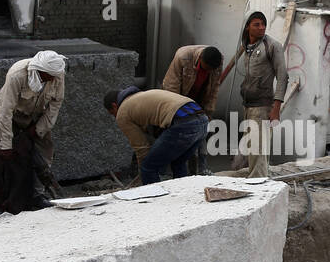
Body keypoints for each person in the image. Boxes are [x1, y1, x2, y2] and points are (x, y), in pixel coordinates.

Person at [0, 51, 67, 210]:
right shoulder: (17, 75)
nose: (55, 79)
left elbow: (55, 105)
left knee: (44, 154)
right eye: (51, 76)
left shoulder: (58, 73)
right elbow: (6, 111)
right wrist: (6, 145)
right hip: (10, 115)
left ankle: (37, 196)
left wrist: (38, 129)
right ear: (42, 72)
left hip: (37, 117)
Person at [219, 11, 287, 176]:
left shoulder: (272, 46)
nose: (262, 28)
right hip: (248, 105)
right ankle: (248, 178)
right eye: (257, 24)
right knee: (249, 147)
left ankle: (258, 182)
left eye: (263, 24)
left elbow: (283, 77)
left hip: (263, 106)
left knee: (258, 149)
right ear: (248, 26)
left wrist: (276, 109)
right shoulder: (247, 46)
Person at [104, 87, 208, 185]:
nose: (115, 116)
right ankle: (183, 197)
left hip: (184, 123)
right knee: (178, 163)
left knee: (148, 167)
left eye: (113, 113)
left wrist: (143, 172)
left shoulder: (123, 112)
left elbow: (141, 148)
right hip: (202, 118)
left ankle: (154, 201)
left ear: (114, 105)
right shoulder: (139, 96)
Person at [162, 44, 223, 173]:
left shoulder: (218, 60)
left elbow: (214, 88)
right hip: (180, 97)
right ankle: (182, 169)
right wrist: (176, 112)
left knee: (202, 131)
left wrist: (209, 111)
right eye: (206, 69)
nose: (208, 72)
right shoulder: (183, 57)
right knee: (185, 133)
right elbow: (171, 86)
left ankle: (201, 168)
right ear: (200, 59)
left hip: (200, 98)